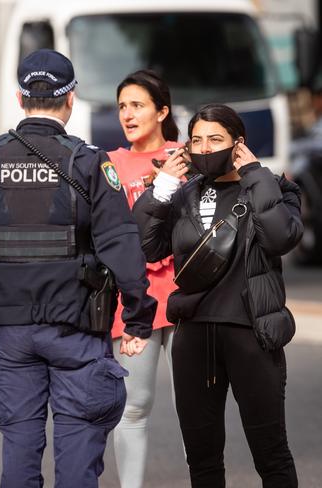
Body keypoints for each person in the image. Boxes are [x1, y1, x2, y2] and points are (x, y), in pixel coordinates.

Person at [0, 48, 158, 488]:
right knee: (79, 445)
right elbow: (121, 244)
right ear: (71, 99)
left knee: (19, 445)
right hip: (76, 328)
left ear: (21, 98)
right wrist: (138, 316)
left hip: (9, 328)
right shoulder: (89, 161)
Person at [133, 103, 300, 487]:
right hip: (193, 337)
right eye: (197, 140)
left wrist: (255, 174)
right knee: (202, 459)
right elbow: (145, 248)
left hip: (252, 333)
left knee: (271, 453)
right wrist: (161, 190)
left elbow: (281, 238)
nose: (205, 148)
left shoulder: (273, 186)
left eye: (215, 139)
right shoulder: (183, 194)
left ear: (238, 143)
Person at [106, 70, 181, 488]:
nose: (128, 115)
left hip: (192, 298)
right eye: (122, 107)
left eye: (137, 105)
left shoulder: (187, 155)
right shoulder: (111, 165)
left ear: (162, 111)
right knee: (134, 407)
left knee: (195, 407)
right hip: (133, 301)